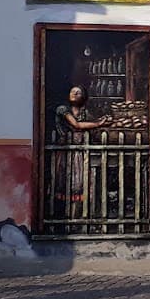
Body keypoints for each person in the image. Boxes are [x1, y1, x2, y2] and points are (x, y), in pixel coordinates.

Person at [49, 85, 112, 217]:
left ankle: (77, 217)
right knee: (65, 184)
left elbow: (92, 127)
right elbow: (76, 125)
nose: (75, 94)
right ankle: (64, 218)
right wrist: (99, 123)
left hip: (80, 152)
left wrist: (101, 123)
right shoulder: (63, 109)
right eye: (73, 92)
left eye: (78, 93)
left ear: (83, 97)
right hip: (66, 152)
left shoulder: (85, 112)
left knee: (80, 185)